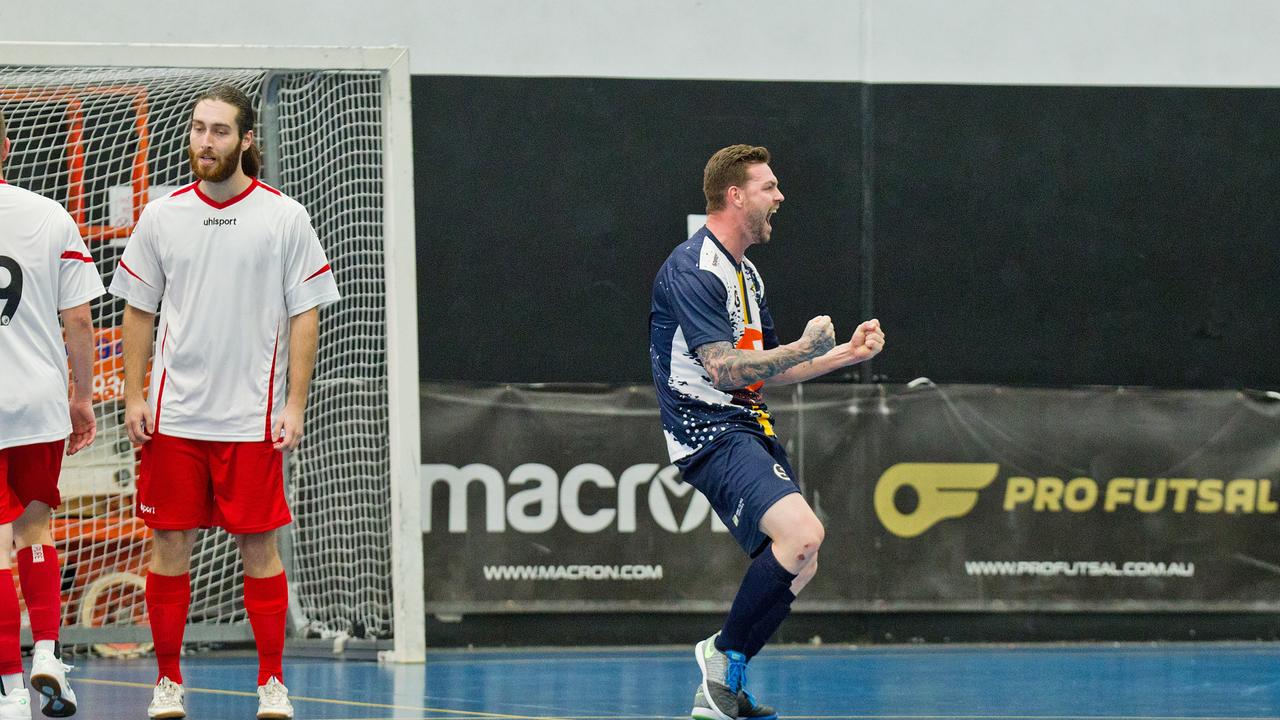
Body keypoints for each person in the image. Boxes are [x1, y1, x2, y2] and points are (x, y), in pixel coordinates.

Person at [109, 85, 340, 720]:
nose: (204, 142)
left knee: (260, 550)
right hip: (174, 418)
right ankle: (168, 683)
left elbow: (305, 315)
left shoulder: (284, 217)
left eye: (218, 131)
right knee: (169, 547)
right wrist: (133, 394)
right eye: (197, 129)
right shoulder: (163, 217)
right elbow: (137, 309)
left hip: (251, 420)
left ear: (244, 141)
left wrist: (294, 404)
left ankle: (271, 684)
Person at [650, 144, 885, 720]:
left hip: (746, 426)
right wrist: (802, 345)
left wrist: (842, 357)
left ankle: (723, 678)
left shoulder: (746, 273)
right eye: (768, 187)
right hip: (706, 428)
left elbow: (769, 369)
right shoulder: (692, 268)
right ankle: (722, 656)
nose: (780, 197)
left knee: (805, 559)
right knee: (802, 535)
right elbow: (724, 368)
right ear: (735, 196)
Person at [0, 107, 104, 719]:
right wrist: (83, 397)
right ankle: (45, 650)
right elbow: (81, 319)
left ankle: (10, 690)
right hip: (37, 402)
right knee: (34, 529)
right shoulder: (49, 216)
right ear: (6, 146)